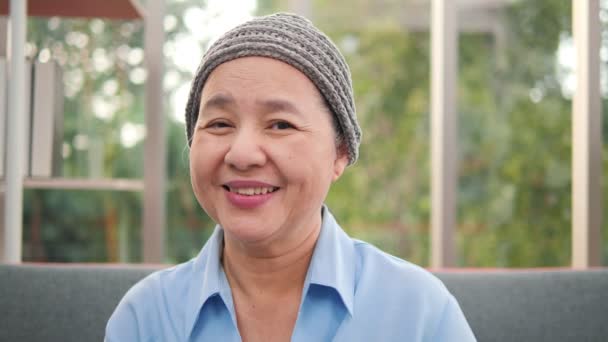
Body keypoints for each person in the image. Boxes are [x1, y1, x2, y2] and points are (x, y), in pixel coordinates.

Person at [105, 12, 476, 341]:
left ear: (340, 152)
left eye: (280, 124)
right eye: (219, 124)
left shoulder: (419, 312)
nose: (242, 154)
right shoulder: (145, 318)